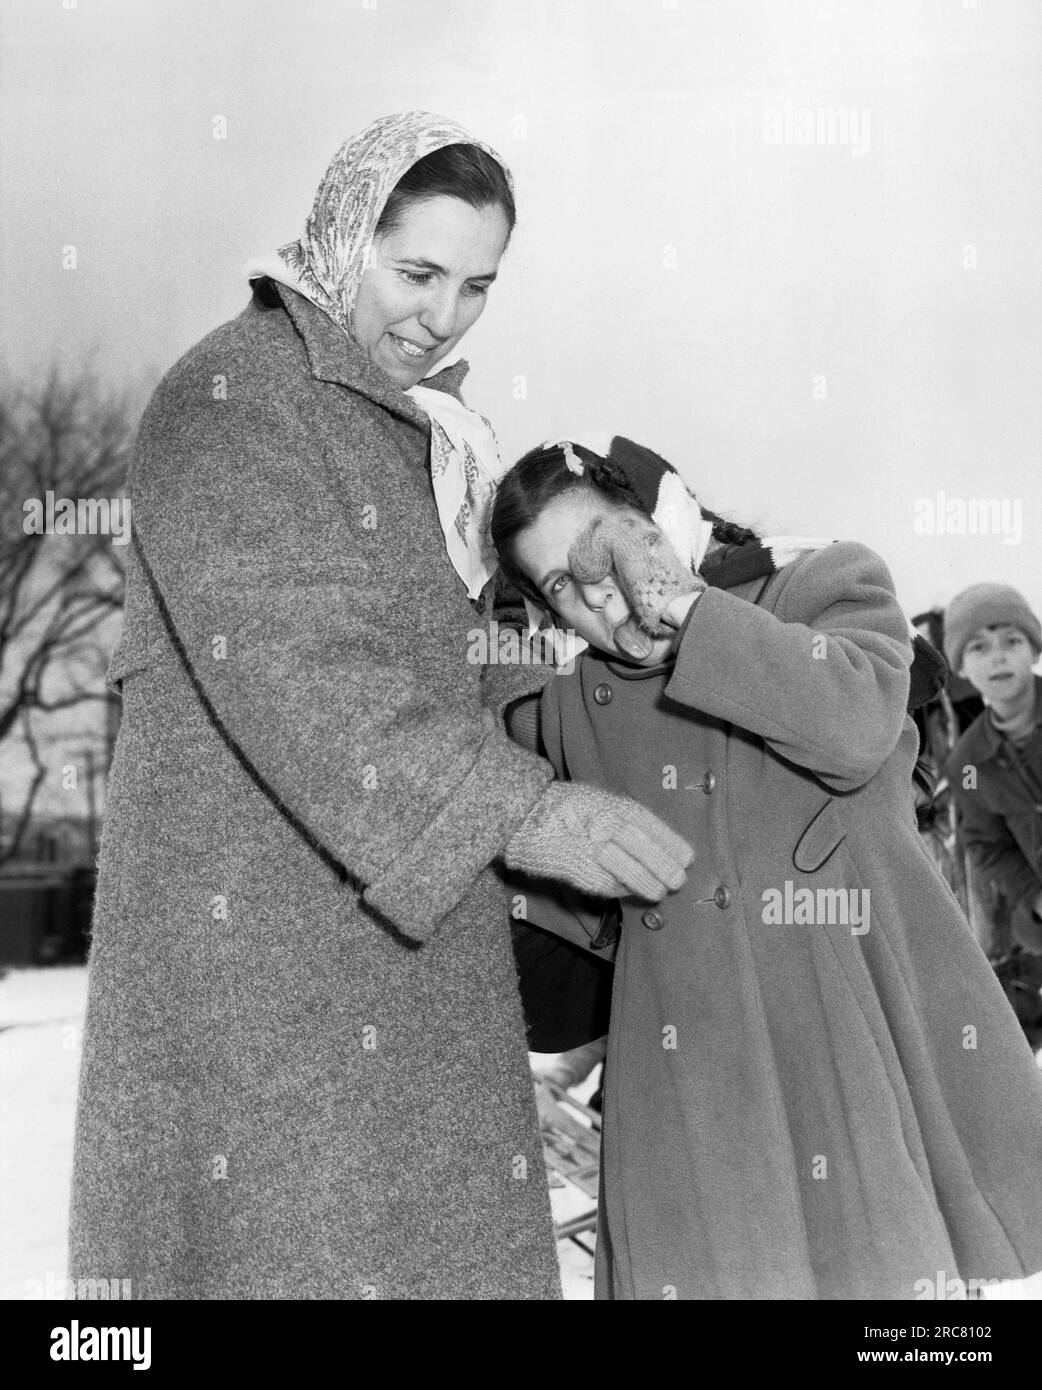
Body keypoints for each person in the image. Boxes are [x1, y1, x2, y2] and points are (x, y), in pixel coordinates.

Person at [68, 114, 692, 1300]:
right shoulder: (230, 399)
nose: (441, 316)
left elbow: (459, 655)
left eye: (475, 286)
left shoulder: (440, 439)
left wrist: (593, 660)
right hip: (257, 951)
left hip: (411, 937)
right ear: (343, 234)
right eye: (415, 273)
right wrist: (532, 815)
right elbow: (301, 664)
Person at [491, 435, 1042, 1300]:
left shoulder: (823, 585)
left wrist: (690, 606)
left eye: (609, 541)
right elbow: (473, 764)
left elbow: (853, 727)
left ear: (664, 516)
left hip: (857, 1033)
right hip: (697, 1082)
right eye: (561, 583)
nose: (600, 588)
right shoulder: (572, 706)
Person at [943, 584, 1042, 955]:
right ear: (963, 668)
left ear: (1034, 650)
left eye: (1012, 641)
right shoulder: (966, 765)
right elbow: (985, 844)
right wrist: (1035, 898)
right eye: (978, 647)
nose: (997, 657)